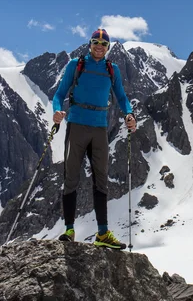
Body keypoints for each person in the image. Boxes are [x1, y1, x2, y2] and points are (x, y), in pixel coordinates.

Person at [52, 28, 136, 248]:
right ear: (89, 44)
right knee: (71, 177)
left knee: (101, 180)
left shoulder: (111, 69)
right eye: (96, 42)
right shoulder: (76, 65)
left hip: (99, 128)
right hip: (77, 125)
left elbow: (122, 96)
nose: (99, 46)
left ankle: (102, 234)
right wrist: (58, 111)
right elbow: (59, 94)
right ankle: (69, 230)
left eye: (104, 43)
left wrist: (129, 113)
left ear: (108, 47)